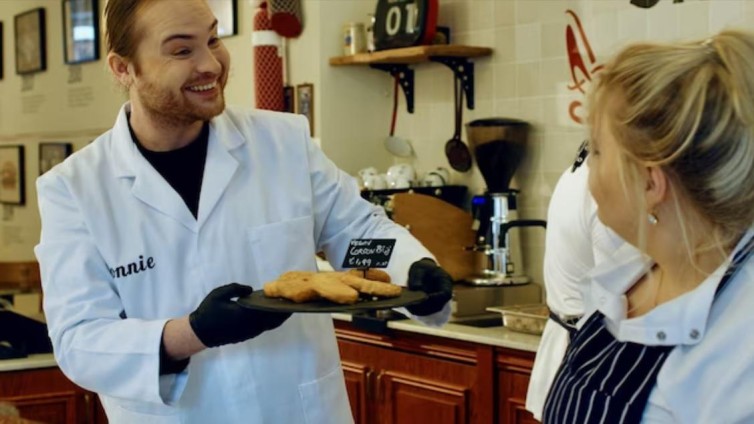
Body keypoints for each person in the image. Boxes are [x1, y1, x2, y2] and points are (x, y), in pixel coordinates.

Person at [33, 1, 453, 423]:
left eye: (212, 40)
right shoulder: (75, 189)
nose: (210, 64)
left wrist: (407, 266)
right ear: (124, 69)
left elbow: (355, 236)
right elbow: (79, 341)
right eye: (182, 51)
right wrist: (193, 332)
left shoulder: (282, 143)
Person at [541, 30, 754, 423]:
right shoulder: (629, 275)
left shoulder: (739, 352)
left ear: (650, 183)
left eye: (598, 151)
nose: (588, 167)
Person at [525, 153, 624, 421]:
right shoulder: (606, 188)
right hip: (591, 362)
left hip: (572, 356)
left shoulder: (575, 172)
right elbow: (620, 299)